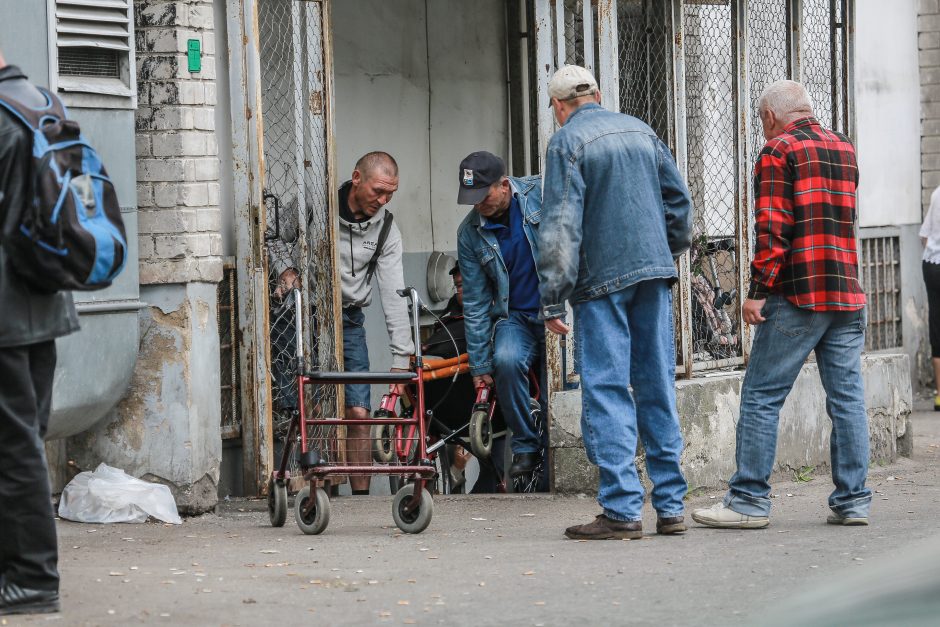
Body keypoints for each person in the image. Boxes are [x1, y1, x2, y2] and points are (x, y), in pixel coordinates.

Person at [692, 79, 869, 529]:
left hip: (799, 295)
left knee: (760, 396)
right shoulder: (844, 148)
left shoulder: (778, 151)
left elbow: (773, 231)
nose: (762, 129)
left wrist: (756, 293)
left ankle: (749, 502)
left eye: (761, 122)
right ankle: (853, 502)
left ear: (770, 117)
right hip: (846, 295)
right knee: (847, 401)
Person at [537, 65, 693, 540]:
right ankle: (671, 507)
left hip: (602, 279)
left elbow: (560, 227)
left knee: (606, 388)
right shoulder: (642, 130)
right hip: (654, 272)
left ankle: (623, 509)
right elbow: (679, 204)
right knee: (656, 384)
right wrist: (664, 249)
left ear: (559, 107)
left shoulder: (566, 143)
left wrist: (552, 299)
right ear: (598, 95)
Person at [274, 152, 414, 495]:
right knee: (308, 405)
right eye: (378, 191)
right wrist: (284, 268)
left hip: (349, 319)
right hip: (305, 315)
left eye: (389, 195)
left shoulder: (386, 229)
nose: (382, 201)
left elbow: (394, 294)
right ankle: (309, 485)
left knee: (358, 410)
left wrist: (402, 357)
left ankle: (361, 498)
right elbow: (273, 234)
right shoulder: (313, 205)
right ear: (356, 178)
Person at [0, 51, 77, 615]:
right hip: (43, 297)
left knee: (14, 446)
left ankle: (30, 580)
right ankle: (21, 570)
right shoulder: (42, 101)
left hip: (5, 305)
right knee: (24, 438)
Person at [455, 151, 547, 481]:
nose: (478, 205)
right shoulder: (469, 235)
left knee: (554, 389)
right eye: (471, 198)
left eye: (484, 196)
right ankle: (524, 445)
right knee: (505, 361)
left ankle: (553, 451)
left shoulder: (542, 195)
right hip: (516, 317)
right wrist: (480, 365)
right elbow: (476, 304)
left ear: (504, 185)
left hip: (556, 312)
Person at [920, 186, 940, 411]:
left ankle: (939, 396)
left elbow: (924, 236)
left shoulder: (936, 193)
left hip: (932, 266)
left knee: (936, 323)